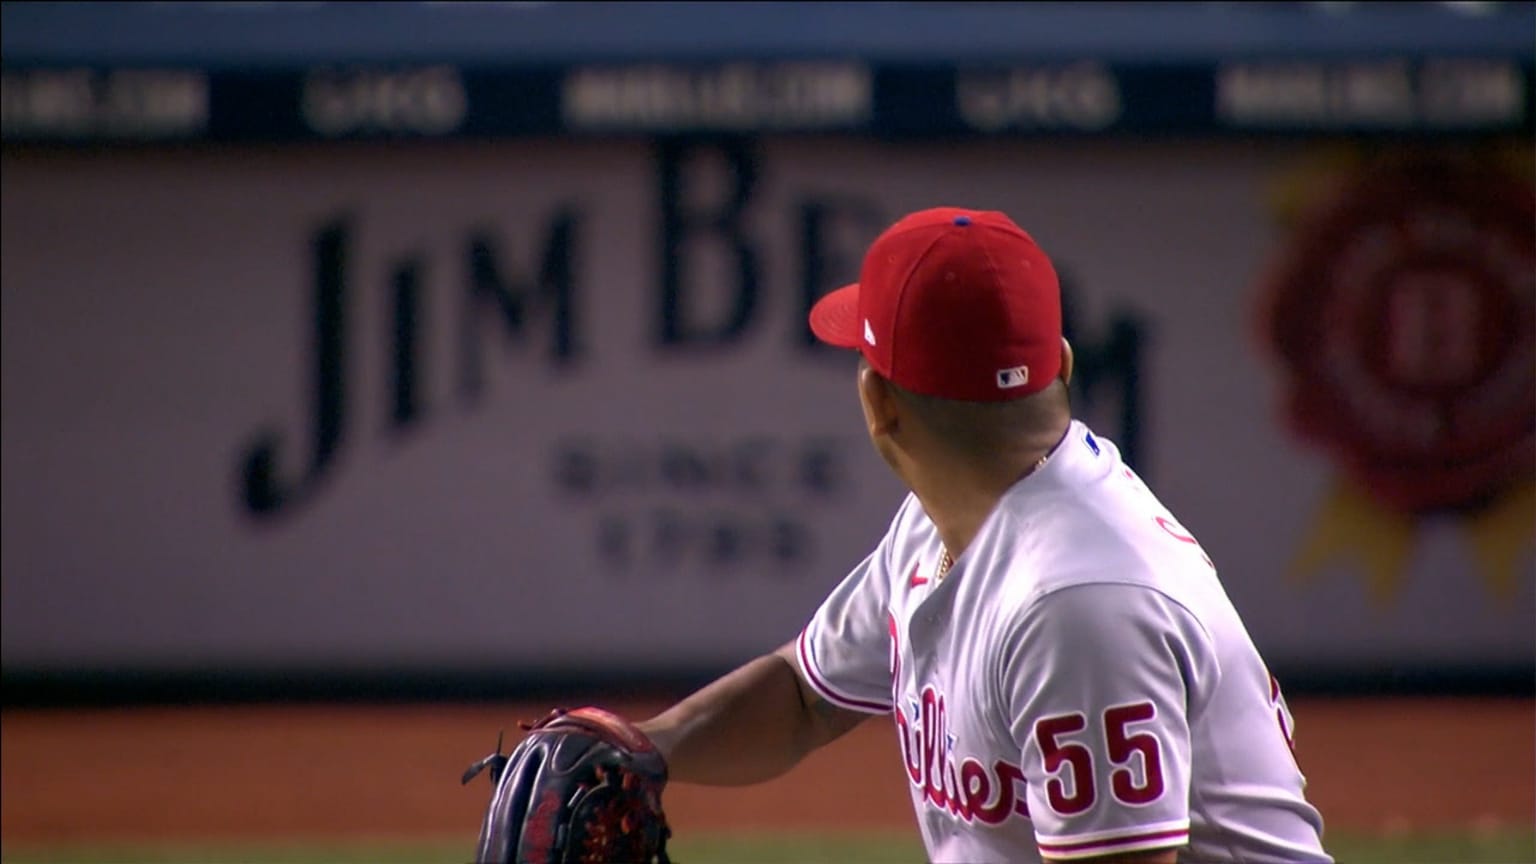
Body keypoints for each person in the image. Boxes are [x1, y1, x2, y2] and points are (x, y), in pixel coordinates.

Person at [634, 206, 1333, 863]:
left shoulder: (1078, 604)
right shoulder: (944, 521)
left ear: (878, 405)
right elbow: (802, 699)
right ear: (1060, 365)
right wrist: (643, 751)